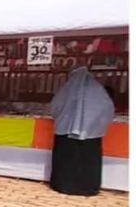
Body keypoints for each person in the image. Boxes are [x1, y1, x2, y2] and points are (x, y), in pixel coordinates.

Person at [49, 67, 114, 196]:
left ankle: (63, 185)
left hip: (66, 132)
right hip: (91, 134)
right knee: (89, 161)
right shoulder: (98, 90)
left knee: (66, 160)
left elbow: (54, 107)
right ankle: (88, 187)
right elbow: (108, 109)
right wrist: (94, 124)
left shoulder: (67, 90)